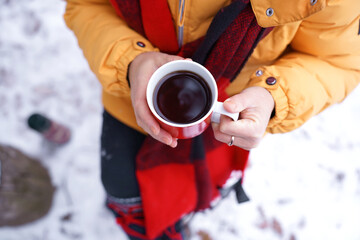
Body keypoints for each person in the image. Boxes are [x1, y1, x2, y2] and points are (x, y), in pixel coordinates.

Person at [64, 0, 360, 239]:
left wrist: (273, 98)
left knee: (191, 187)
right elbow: (86, 5)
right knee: (121, 185)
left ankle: (180, 216)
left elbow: (337, 61)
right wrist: (130, 61)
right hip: (128, 95)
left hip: (231, 108)